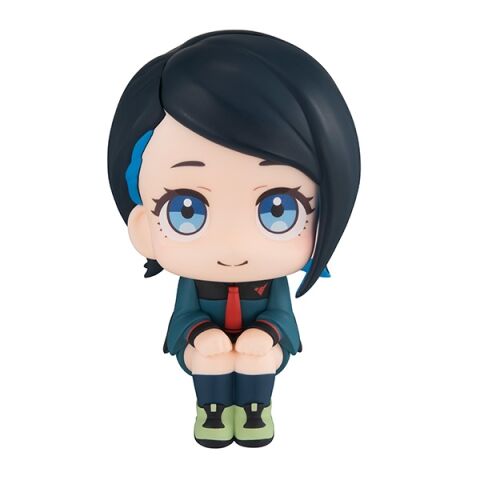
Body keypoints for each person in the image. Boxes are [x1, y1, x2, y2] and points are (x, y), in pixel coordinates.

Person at [108, 30, 360, 448]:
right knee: (212, 356)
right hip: (203, 346)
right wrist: (197, 333)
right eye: (185, 209)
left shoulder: (271, 281)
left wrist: (269, 333)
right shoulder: (194, 281)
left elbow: (282, 314)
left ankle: (256, 410)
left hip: (262, 345)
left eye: (279, 208)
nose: (233, 244)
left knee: (256, 355)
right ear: (142, 228)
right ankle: (211, 411)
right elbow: (184, 315)